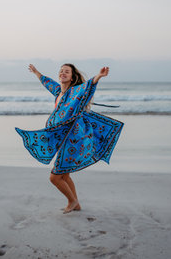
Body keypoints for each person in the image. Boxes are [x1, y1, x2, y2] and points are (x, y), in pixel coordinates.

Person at [15, 63, 123, 214]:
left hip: (73, 138)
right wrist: (36, 72)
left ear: (72, 78)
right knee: (64, 175)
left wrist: (99, 76)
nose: (62, 73)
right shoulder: (58, 91)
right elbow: (47, 82)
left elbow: (87, 86)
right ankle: (76, 204)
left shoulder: (75, 91)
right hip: (63, 139)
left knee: (54, 178)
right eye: (61, 71)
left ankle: (72, 201)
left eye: (66, 72)